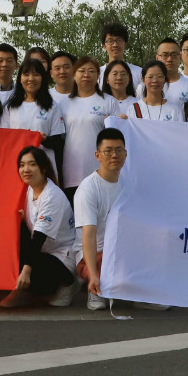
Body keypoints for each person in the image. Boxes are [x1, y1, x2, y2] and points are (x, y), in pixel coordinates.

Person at [1, 146, 78, 308]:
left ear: (43, 168)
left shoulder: (51, 196)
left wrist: (25, 272)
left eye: (32, 164)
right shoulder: (31, 189)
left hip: (62, 256)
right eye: (22, 165)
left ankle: (68, 283)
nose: (26, 169)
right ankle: (27, 287)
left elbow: (38, 239)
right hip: (44, 252)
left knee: (30, 272)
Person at [74, 127, 127, 311]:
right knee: (106, 262)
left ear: (126, 154)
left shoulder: (128, 184)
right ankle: (94, 287)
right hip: (94, 254)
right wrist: (94, 274)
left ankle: (141, 296)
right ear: (97, 155)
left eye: (119, 150)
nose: (114, 155)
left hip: (120, 250)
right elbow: (88, 235)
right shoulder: (88, 188)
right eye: (108, 151)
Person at [61, 57, 119, 182]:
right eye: (82, 71)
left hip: (101, 169)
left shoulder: (109, 101)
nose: (86, 75)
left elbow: (117, 134)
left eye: (91, 71)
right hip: (71, 170)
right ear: (74, 75)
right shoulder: (63, 104)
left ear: (98, 75)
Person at [2, 60, 68, 167]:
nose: (31, 78)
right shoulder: (10, 107)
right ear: (20, 78)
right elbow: (5, 139)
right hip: (17, 164)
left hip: (44, 165)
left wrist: (44, 140)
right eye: (26, 74)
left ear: (42, 78)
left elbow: (58, 142)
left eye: (36, 74)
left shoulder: (52, 107)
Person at [100, 21, 145, 90]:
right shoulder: (98, 74)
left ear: (125, 44)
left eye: (119, 40)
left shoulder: (139, 73)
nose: (115, 45)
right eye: (110, 41)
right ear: (104, 46)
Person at [156, 38, 188, 105]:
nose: (169, 59)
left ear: (180, 57)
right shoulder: (146, 86)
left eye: (174, 55)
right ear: (157, 58)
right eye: (165, 55)